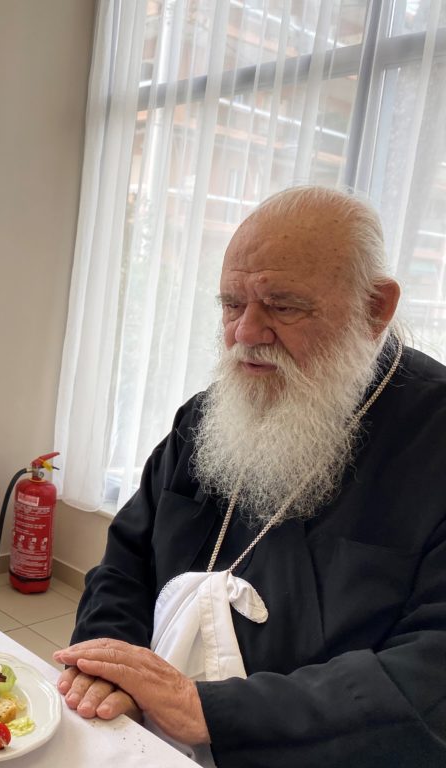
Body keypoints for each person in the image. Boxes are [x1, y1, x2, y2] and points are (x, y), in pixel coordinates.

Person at [55, 186, 446, 767]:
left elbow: (433, 668)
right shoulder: (206, 417)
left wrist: (213, 711)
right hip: (145, 738)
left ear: (375, 308)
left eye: (282, 307)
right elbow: (125, 563)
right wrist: (111, 667)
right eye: (231, 304)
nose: (245, 333)